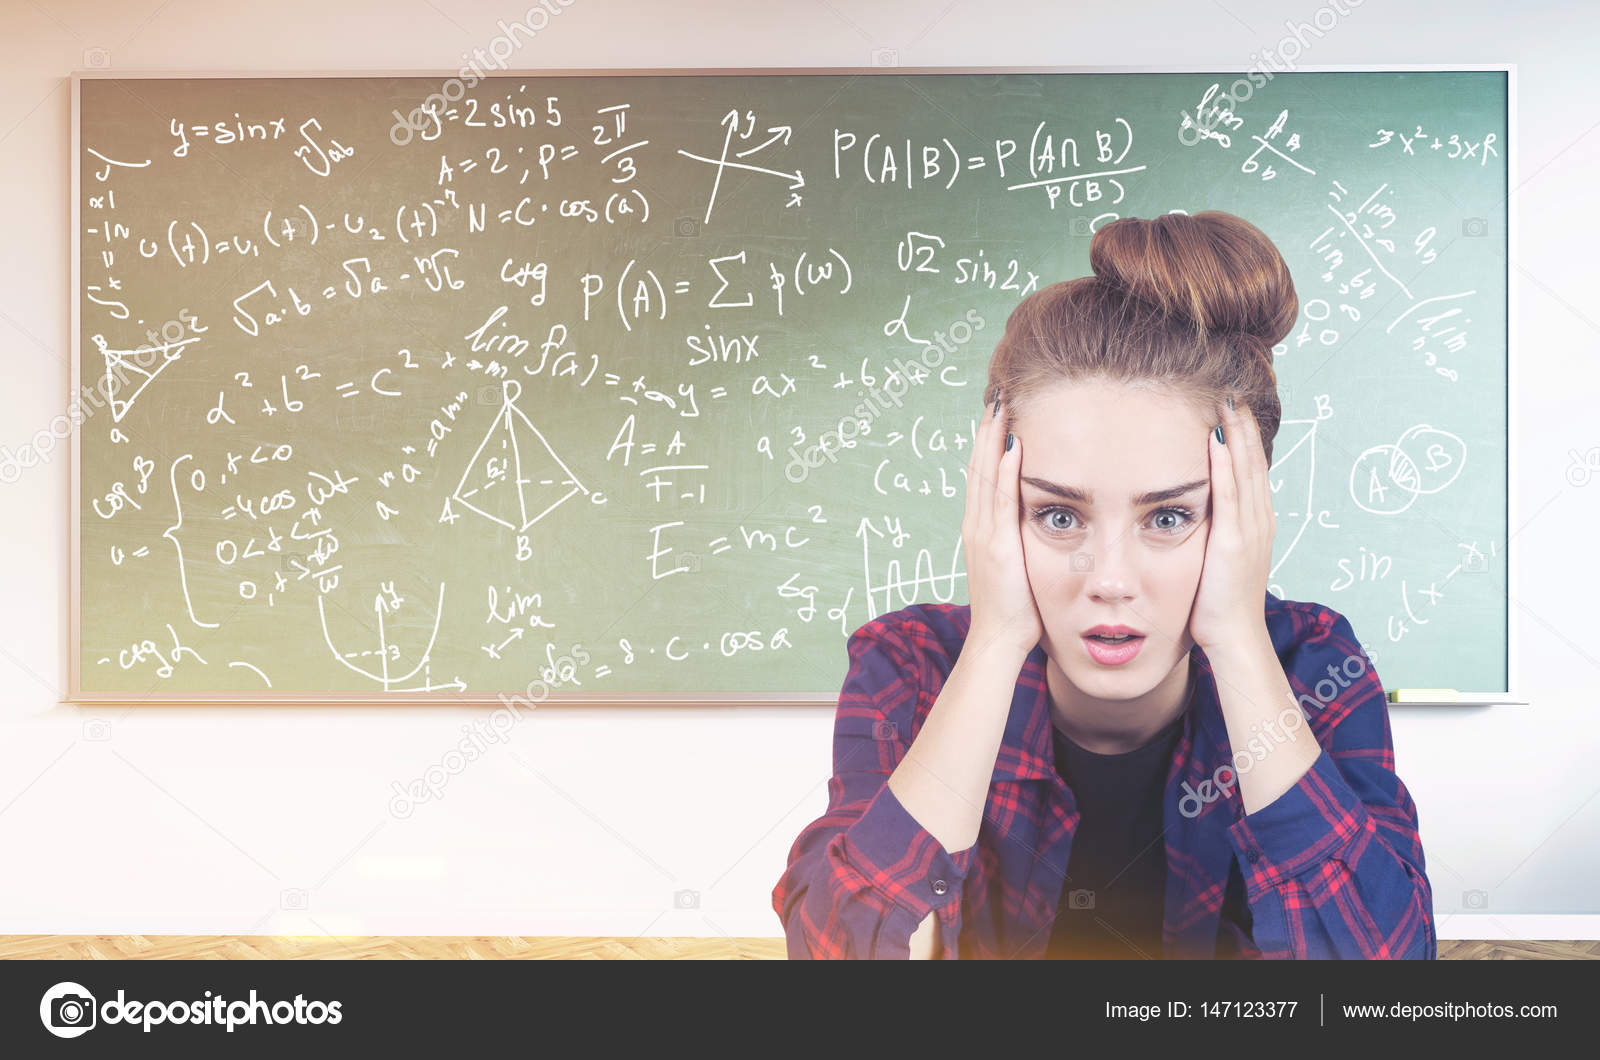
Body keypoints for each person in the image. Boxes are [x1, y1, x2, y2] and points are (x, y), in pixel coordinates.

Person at [771, 211, 1435, 960]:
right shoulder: (911, 664)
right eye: (1057, 515)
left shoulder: (1312, 666)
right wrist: (993, 645)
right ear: (997, 510)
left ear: (1244, 517)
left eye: (1171, 516)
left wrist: (1240, 639)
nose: (1111, 581)